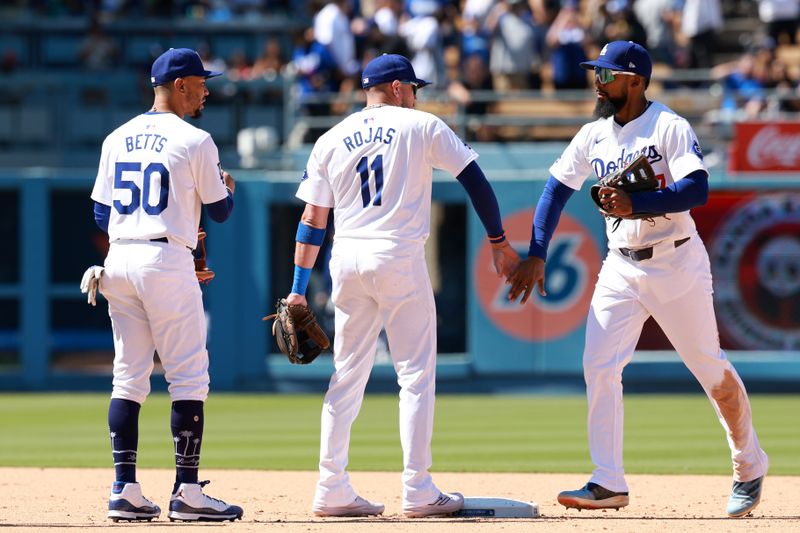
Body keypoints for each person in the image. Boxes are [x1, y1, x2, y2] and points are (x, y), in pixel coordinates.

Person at [507, 41, 769, 518]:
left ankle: (749, 465)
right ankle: (607, 481)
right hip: (621, 265)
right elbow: (554, 192)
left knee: (711, 371)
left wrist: (639, 204)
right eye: (597, 73)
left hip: (677, 263)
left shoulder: (668, 126)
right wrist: (538, 252)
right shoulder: (593, 135)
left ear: (635, 81)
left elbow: (698, 188)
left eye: (606, 74)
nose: (598, 81)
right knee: (599, 365)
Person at [283, 53, 519, 518]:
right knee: (414, 375)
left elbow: (312, 219)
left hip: (346, 258)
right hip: (397, 256)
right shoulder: (422, 127)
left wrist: (297, 288)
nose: (416, 96)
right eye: (414, 88)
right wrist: (498, 239)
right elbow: (475, 179)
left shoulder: (330, 138)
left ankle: (331, 486)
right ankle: (417, 488)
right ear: (396, 88)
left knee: (346, 375)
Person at [87, 47, 243, 523]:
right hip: (165, 260)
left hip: (120, 257)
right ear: (179, 86)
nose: (206, 89)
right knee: (189, 376)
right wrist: (224, 187)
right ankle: (187, 492)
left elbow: (99, 212)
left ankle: (124, 489)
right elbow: (219, 211)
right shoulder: (196, 140)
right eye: (200, 81)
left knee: (128, 377)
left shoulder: (116, 136)